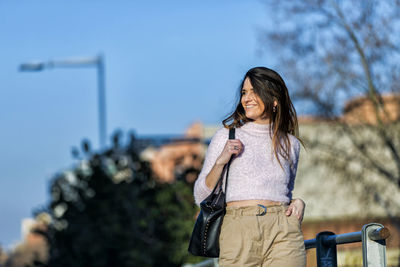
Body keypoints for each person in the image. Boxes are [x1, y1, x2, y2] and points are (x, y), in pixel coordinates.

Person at [193, 67, 306, 267]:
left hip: (283, 230)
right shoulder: (227, 136)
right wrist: (221, 161)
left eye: (254, 91)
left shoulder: (291, 144)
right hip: (238, 230)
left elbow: (285, 191)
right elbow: (201, 196)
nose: (247, 98)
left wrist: (297, 203)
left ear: (274, 99)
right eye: (244, 92)